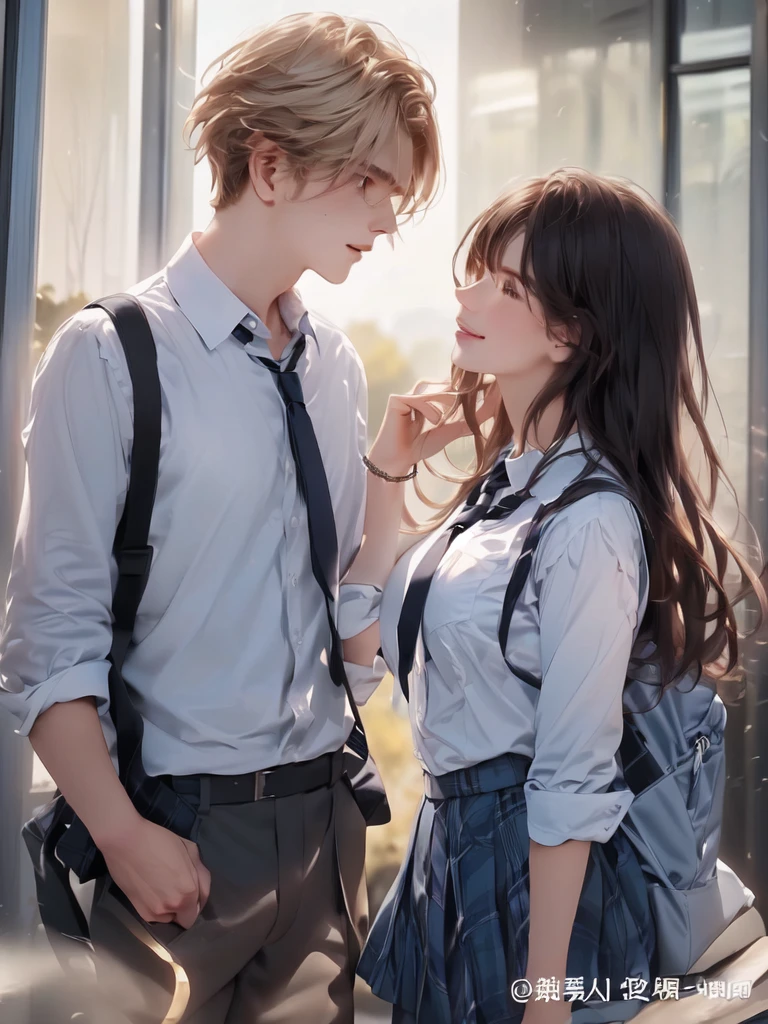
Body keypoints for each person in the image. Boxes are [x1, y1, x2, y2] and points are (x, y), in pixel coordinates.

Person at [0, 12, 440, 1024]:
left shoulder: (327, 364)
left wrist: (385, 478)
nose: (384, 221)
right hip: (176, 837)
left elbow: (339, 615)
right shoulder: (108, 357)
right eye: (368, 182)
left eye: (396, 195)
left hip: (323, 831)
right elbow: (46, 643)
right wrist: (120, 833)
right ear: (271, 166)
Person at [340, 168, 767, 1024]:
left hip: (542, 895)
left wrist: (546, 997)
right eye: (477, 271)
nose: (468, 295)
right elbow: (360, 653)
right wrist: (389, 470)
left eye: (505, 285)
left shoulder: (591, 523)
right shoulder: (505, 493)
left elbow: (573, 773)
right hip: (449, 862)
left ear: (571, 331)